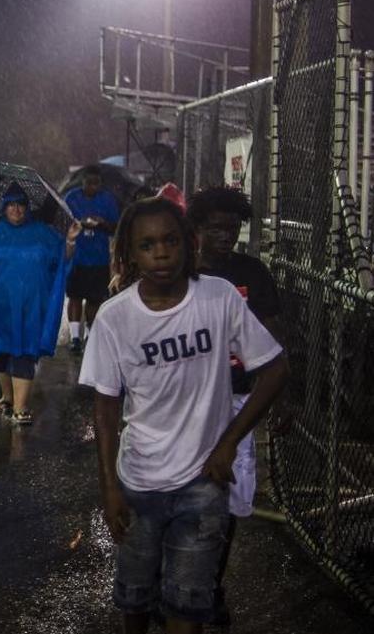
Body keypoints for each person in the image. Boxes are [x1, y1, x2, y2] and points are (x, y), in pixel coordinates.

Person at [78, 198, 288, 634]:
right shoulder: (115, 318)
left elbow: (274, 368)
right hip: (138, 484)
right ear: (129, 253)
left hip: (202, 483)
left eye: (170, 241)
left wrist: (229, 443)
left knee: (188, 605)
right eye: (147, 244)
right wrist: (109, 487)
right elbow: (105, 409)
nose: (161, 253)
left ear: (188, 243)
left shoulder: (218, 297)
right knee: (135, 596)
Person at [188, 185, 283, 624]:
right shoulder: (182, 273)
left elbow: (273, 337)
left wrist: (280, 400)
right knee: (183, 494)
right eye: (216, 228)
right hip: (190, 400)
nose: (226, 236)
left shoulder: (252, 273)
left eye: (233, 228)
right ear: (197, 228)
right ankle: (174, 582)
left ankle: (210, 587)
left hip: (240, 398)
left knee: (226, 502)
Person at [0, 184, 81, 424]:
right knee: (3, 352)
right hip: (1, 304)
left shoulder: (43, 233)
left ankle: (21, 407)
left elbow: (61, 259)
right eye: (11, 205)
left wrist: (70, 241)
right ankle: (7, 398)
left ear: (27, 208)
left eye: (21, 205)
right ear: (3, 208)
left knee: (25, 352)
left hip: (31, 307)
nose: (16, 210)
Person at [63, 165, 120, 354]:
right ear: (83, 181)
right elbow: (62, 222)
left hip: (99, 258)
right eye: (89, 183)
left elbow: (115, 228)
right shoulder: (71, 198)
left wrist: (102, 223)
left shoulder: (107, 199)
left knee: (95, 299)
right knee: (75, 296)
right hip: (77, 257)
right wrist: (78, 224)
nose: (92, 187)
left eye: (96, 183)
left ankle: (89, 335)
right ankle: (75, 338)